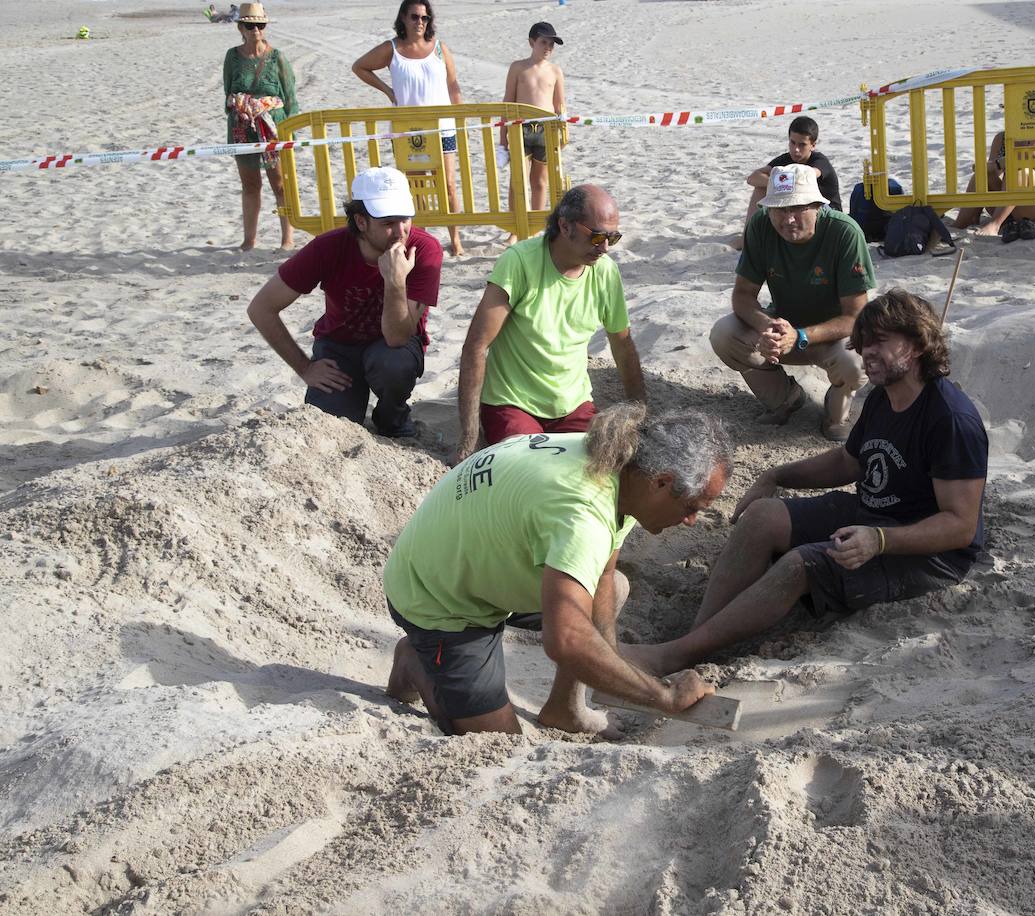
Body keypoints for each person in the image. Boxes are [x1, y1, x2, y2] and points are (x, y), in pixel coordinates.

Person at [625, 289, 988, 676]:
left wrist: (879, 540)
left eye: (881, 341)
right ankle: (693, 641)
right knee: (762, 517)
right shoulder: (884, 397)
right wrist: (775, 475)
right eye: (864, 342)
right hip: (873, 515)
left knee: (802, 565)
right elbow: (849, 461)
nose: (868, 352)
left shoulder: (950, 420)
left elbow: (960, 526)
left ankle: (677, 655)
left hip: (927, 554)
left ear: (917, 344)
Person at [384, 403, 732, 737]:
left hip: (481, 557)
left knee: (614, 586)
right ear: (662, 482)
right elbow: (566, 640)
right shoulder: (583, 514)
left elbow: (603, 574)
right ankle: (415, 662)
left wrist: (609, 660)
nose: (691, 520)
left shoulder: (621, 463)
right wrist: (662, 696)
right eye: (690, 507)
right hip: (436, 597)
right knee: (500, 740)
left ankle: (565, 710)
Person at [454, 185, 647, 462]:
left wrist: (639, 415)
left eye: (612, 238)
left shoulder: (605, 272)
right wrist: (469, 437)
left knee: (604, 466)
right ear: (565, 226)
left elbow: (622, 346)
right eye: (597, 237)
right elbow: (476, 345)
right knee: (528, 468)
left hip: (573, 405)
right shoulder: (519, 262)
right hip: (513, 403)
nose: (604, 248)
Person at [246, 166, 441, 437]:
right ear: (361, 222)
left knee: (393, 363)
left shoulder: (424, 249)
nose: (400, 231)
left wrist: (395, 281)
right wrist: (305, 368)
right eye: (388, 223)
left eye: (405, 218)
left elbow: (397, 338)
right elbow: (261, 309)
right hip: (339, 347)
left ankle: (392, 417)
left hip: (391, 347)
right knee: (329, 427)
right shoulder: (328, 247)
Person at [710, 163, 876, 442]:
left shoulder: (844, 232)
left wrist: (799, 336)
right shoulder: (760, 225)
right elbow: (743, 294)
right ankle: (785, 399)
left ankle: (835, 411)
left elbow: (855, 316)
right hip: (783, 325)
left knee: (856, 363)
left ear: (817, 206)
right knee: (724, 334)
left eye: (797, 208)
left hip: (833, 335)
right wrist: (767, 326)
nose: (787, 219)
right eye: (779, 209)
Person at [351, 0, 465, 258]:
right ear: (403, 18)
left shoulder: (439, 48)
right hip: (408, 131)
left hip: (443, 128)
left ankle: (455, 239)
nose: (420, 22)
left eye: (425, 17)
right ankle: (422, 236)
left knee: (448, 185)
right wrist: (388, 91)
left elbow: (453, 85)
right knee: (416, 186)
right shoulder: (392, 49)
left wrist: (461, 117)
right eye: (414, 17)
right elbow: (359, 67)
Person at [223, 2, 298, 250]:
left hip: (273, 128)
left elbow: (290, 97)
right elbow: (227, 92)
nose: (256, 30)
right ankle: (249, 240)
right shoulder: (232, 57)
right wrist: (242, 106)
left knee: (280, 185)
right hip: (242, 128)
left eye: (260, 25)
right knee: (250, 185)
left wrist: (289, 131)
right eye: (250, 26)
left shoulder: (277, 57)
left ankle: (287, 238)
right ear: (240, 28)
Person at [730, 116, 843, 250]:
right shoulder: (785, 159)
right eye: (792, 143)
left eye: (802, 145)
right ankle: (748, 237)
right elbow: (752, 178)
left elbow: (807, 176)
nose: (796, 149)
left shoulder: (819, 161)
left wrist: (780, 183)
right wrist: (775, 184)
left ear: (813, 145)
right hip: (796, 208)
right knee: (761, 188)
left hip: (825, 210)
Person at [500, 21, 566, 243]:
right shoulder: (518, 68)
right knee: (517, 179)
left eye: (551, 44)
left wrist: (563, 134)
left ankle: (536, 228)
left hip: (546, 129)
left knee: (540, 181)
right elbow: (507, 102)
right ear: (532, 42)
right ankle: (515, 229)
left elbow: (560, 106)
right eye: (543, 42)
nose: (548, 48)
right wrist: (502, 138)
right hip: (521, 128)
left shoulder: (555, 71)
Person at [952, 132, 1035, 242]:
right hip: (1008, 203)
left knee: (1019, 170)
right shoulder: (1001, 138)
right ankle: (962, 222)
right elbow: (993, 170)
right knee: (982, 175)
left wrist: (999, 163)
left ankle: (995, 224)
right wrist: (988, 168)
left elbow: (1032, 156)